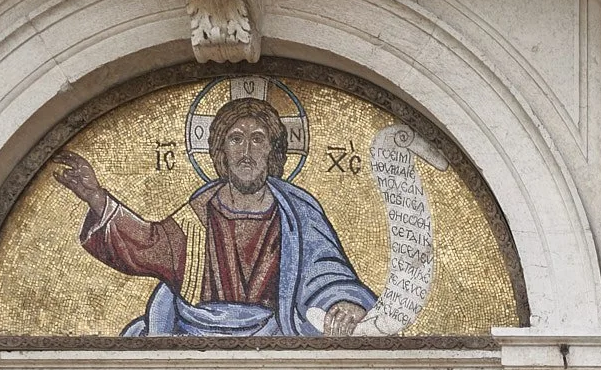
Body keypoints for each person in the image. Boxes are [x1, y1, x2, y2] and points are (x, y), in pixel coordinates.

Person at [53, 99, 374, 336]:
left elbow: (327, 273)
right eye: (235, 139)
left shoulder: (297, 211)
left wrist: (344, 303)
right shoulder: (199, 214)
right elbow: (148, 246)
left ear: (273, 151)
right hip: (194, 332)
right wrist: (96, 198)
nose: (246, 150)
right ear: (221, 151)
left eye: (258, 139)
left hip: (275, 336)